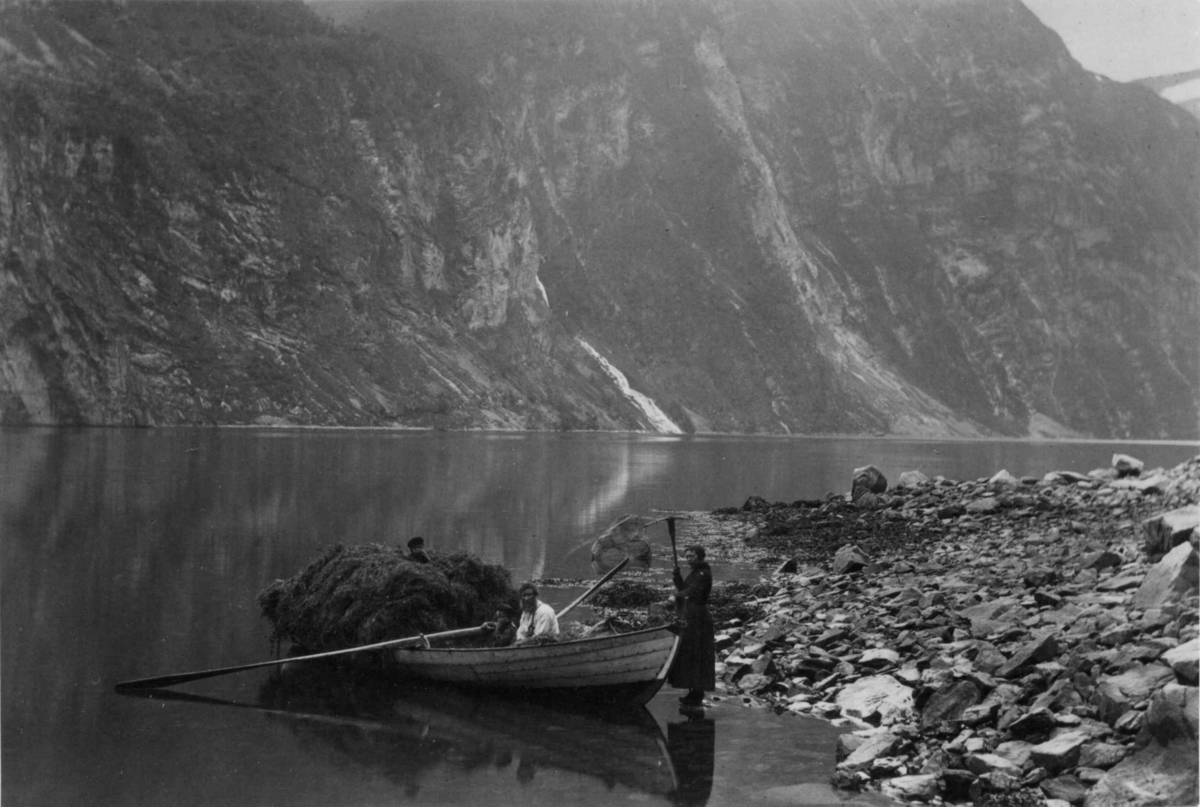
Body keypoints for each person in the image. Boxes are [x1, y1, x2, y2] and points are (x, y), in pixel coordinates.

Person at [668, 545, 715, 706]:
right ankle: (693, 691)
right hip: (691, 615)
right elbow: (685, 589)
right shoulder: (695, 572)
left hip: (698, 617)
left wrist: (675, 597)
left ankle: (698, 691)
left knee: (697, 652)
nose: (688, 559)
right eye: (686, 556)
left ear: (700, 557)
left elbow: (692, 592)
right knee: (691, 652)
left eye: (691, 556)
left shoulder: (703, 573)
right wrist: (677, 577)